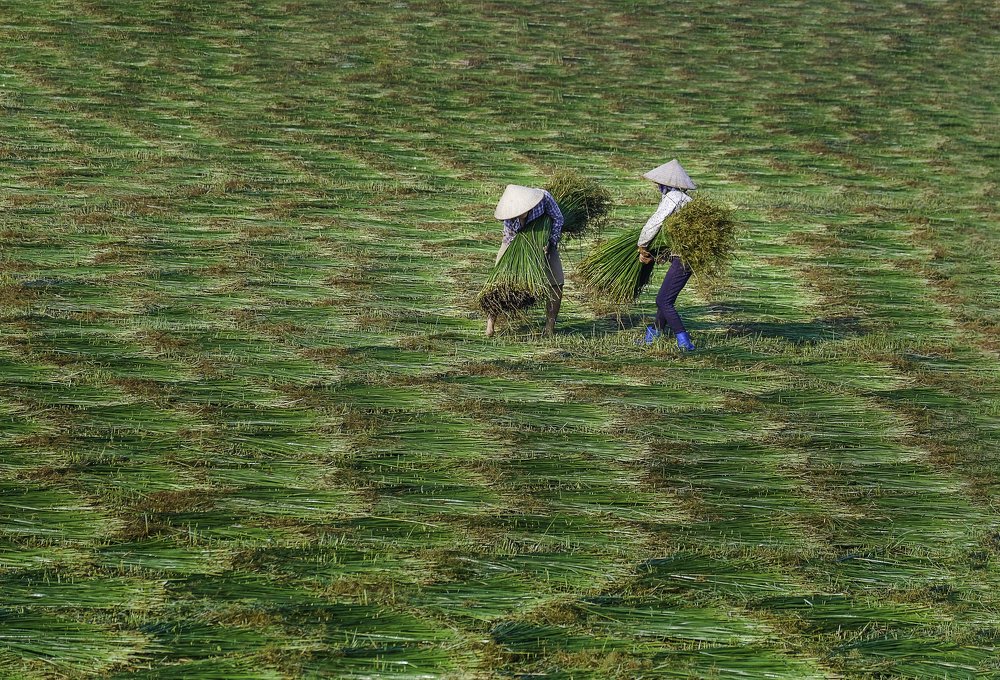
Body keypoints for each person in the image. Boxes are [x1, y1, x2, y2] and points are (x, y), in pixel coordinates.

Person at [486, 184, 565, 337]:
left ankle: (549, 327)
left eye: (521, 210)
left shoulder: (544, 198)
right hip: (514, 242)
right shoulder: (509, 214)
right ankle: (490, 325)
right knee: (496, 281)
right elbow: (509, 238)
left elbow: (558, 219)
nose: (518, 213)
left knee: (557, 282)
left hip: (544, 240)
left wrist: (551, 242)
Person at [636, 159, 697, 350]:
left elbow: (656, 222)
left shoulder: (674, 197)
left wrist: (642, 245)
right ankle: (653, 334)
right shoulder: (685, 200)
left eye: (658, 184)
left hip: (684, 257)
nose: (657, 186)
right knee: (666, 297)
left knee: (663, 300)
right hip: (685, 255)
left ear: (667, 184)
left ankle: (684, 341)